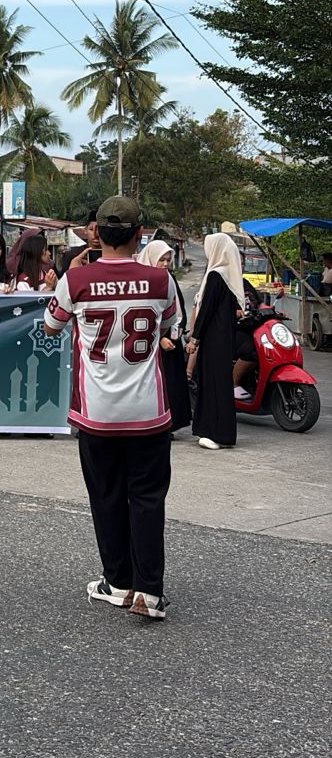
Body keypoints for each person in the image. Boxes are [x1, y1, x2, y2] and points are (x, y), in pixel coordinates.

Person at [42, 195, 178, 621]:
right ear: (141, 235)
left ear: (96, 232)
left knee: (106, 496)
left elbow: (51, 326)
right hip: (148, 412)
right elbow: (171, 323)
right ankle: (150, 592)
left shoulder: (76, 280)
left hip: (97, 413)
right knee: (148, 498)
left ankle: (117, 582)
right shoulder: (160, 281)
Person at [188, 232, 244, 451]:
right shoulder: (229, 277)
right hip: (224, 339)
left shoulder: (215, 276)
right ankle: (220, 432)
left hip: (213, 339)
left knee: (212, 384)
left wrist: (195, 338)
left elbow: (206, 312)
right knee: (220, 384)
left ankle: (213, 432)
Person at [139, 239, 191, 434]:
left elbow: (177, 309)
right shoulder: (144, 282)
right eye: (161, 260)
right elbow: (144, 313)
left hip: (172, 340)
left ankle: (170, 424)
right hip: (151, 343)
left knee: (172, 384)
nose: (165, 264)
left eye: (168, 260)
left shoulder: (169, 278)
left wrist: (176, 332)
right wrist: (159, 338)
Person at [60, 210, 101, 274]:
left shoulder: (112, 255)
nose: (95, 235)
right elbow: (63, 281)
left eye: (99, 229)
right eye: (91, 229)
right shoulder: (72, 255)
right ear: (85, 230)